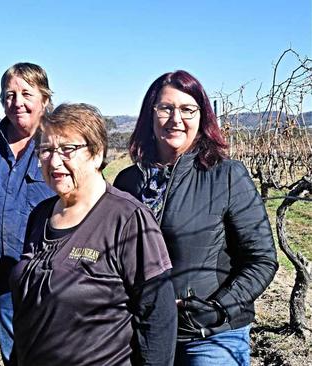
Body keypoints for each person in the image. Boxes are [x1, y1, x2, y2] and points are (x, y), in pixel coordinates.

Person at [113, 70, 278, 366]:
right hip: (143, 329)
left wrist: (217, 308)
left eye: (188, 109)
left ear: (202, 117)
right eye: (165, 108)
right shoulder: (128, 182)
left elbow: (262, 258)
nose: (176, 119)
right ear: (149, 116)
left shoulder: (227, 175)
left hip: (210, 335)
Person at [10, 103, 177, 365]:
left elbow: (157, 315)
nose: (54, 161)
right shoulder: (41, 215)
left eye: (67, 149)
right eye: (46, 150)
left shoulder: (127, 219)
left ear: (97, 154)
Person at [0, 62, 55, 365]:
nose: (17, 102)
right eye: (9, 94)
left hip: (49, 283)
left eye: (26, 94)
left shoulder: (58, 143)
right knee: (13, 357)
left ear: (44, 98)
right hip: (0, 280)